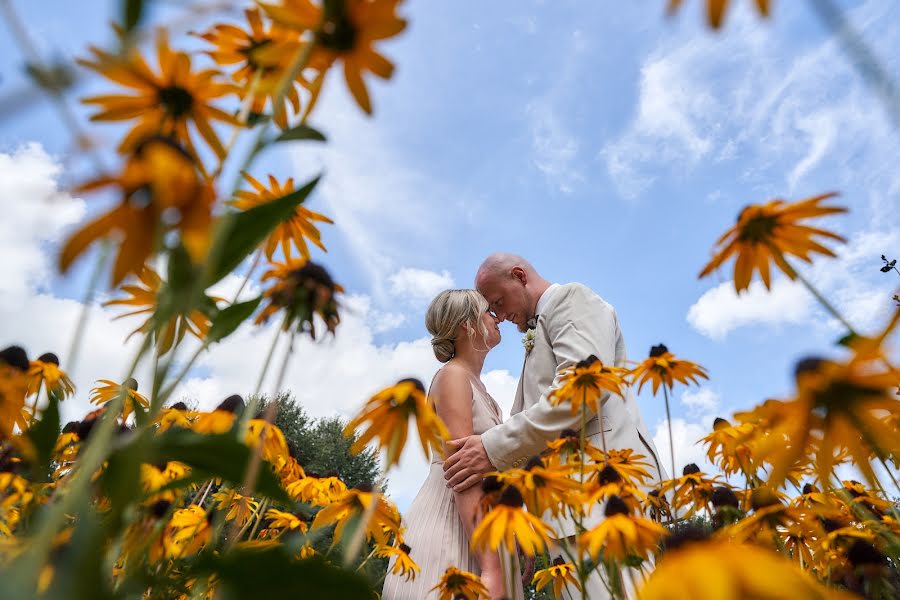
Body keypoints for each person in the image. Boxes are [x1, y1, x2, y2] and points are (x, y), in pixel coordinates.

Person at [442, 253, 666, 599]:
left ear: (520, 276)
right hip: (570, 512)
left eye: (498, 302)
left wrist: (491, 447)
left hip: (602, 501)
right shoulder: (539, 330)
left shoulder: (570, 299)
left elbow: (580, 394)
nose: (499, 316)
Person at [382, 289, 523, 600]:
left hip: (480, 527)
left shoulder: (478, 388)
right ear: (466, 325)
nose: (497, 317)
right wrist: (492, 569)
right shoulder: (452, 377)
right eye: (488, 311)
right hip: (451, 524)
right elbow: (463, 471)